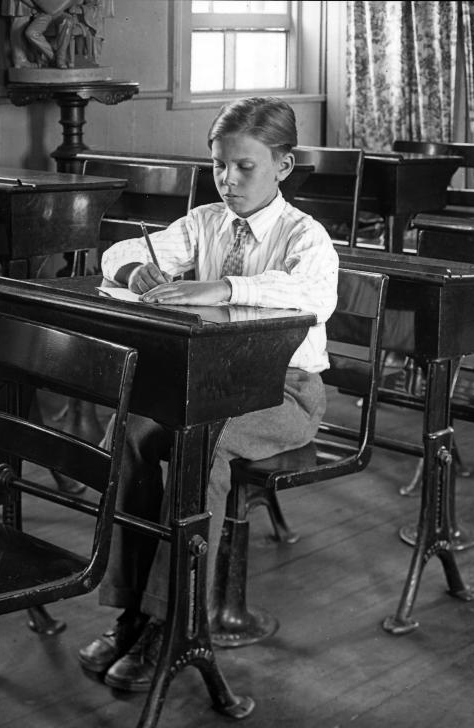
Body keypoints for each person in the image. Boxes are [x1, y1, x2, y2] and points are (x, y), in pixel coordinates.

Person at [78, 96, 339, 692]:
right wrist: (136, 274)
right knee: (135, 435)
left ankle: (177, 623)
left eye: (244, 166)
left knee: (201, 446)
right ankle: (133, 611)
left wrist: (219, 286)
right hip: (208, 386)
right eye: (219, 165)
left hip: (284, 394)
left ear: (284, 166)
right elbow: (119, 252)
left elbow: (312, 297)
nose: (228, 179)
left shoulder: (306, 236)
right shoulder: (203, 223)